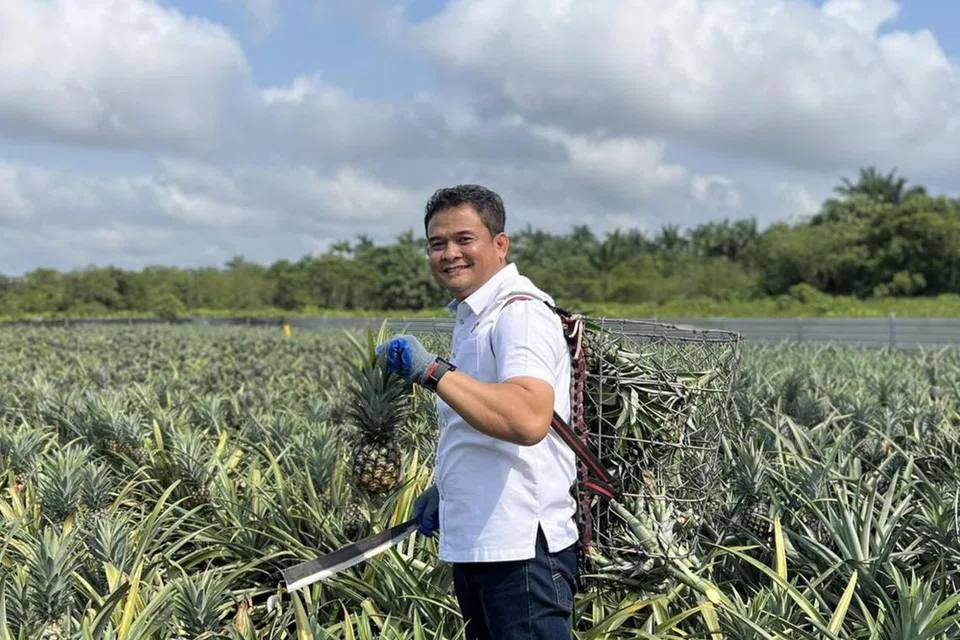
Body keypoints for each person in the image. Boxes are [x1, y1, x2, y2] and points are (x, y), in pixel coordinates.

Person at [375, 185, 578, 639]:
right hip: (484, 545)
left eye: (464, 239)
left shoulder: (518, 314)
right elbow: (482, 421)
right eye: (437, 243)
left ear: (499, 244)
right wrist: (449, 490)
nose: (449, 254)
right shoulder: (475, 317)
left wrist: (432, 371)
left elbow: (527, 419)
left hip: (522, 552)